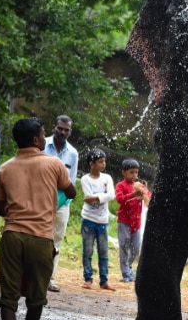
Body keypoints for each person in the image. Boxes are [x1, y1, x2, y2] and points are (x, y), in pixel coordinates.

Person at [0, 117, 77, 320]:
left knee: (8, 297)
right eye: (42, 135)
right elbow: (71, 192)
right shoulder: (54, 164)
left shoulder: (4, 169)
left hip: (12, 236)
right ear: (35, 140)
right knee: (36, 297)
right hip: (41, 238)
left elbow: (0, 209)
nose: (44, 138)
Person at [42, 114, 79, 292]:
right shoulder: (41, 146)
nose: (62, 132)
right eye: (60, 128)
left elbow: (71, 183)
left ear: (70, 132)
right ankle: (30, 276)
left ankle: (49, 278)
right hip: (39, 200)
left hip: (62, 203)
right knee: (37, 237)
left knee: (55, 241)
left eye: (66, 130)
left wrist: (61, 202)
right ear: (53, 128)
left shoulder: (73, 153)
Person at [80, 148, 116, 291]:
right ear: (92, 164)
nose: (103, 164)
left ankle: (104, 280)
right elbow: (88, 200)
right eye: (100, 162)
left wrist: (97, 197)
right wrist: (103, 196)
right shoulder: (85, 179)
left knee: (103, 252)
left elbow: (111, 195)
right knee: (88, 250)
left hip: (102, 220)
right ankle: (88, 279)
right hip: (88, 219)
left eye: (104, 161)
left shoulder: (107, 178)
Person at [115, 158, 151, 282]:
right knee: (124, 246)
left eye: (136, 172)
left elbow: (148, 196)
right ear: (124, 172)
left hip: (137, 222)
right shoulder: (121, 185)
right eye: (131, 172)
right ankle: (125, 273)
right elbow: (119, 199)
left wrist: (145, 195)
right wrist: (133, 195)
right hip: (124, 221)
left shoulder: (140, 186)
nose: (134, 175)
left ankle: (129, 267)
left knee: (136, 248)